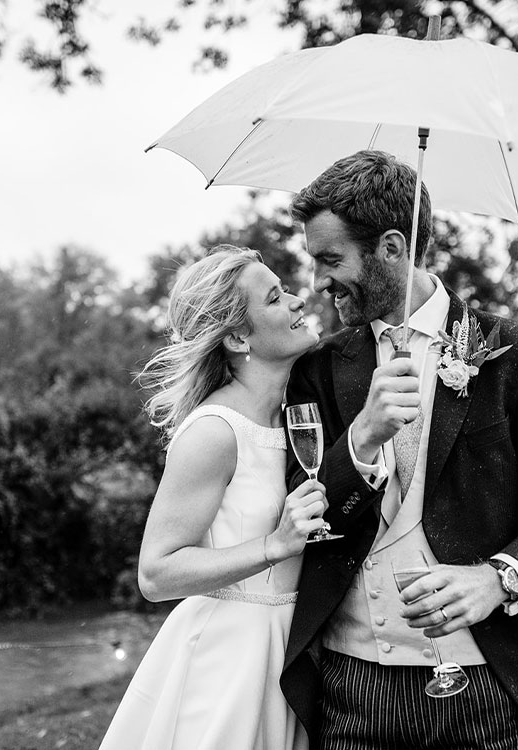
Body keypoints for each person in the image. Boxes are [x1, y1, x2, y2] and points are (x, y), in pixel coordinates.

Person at [279, 151, 518, 750]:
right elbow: (302, 510)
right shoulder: (319, 368)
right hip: (351, 685)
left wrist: (499, 579)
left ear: (391, 247)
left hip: (483, 686)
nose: (320, 281)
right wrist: (363, 439)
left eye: (331, 259)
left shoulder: (515, 351)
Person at [98, 245, 326, 750]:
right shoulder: (215, 431)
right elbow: (155, 574)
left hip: (293, 646)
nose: (296, 301)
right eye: (275, 298)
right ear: (238, 335)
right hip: (228, 658)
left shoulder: (298, 417)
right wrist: (274, 545)